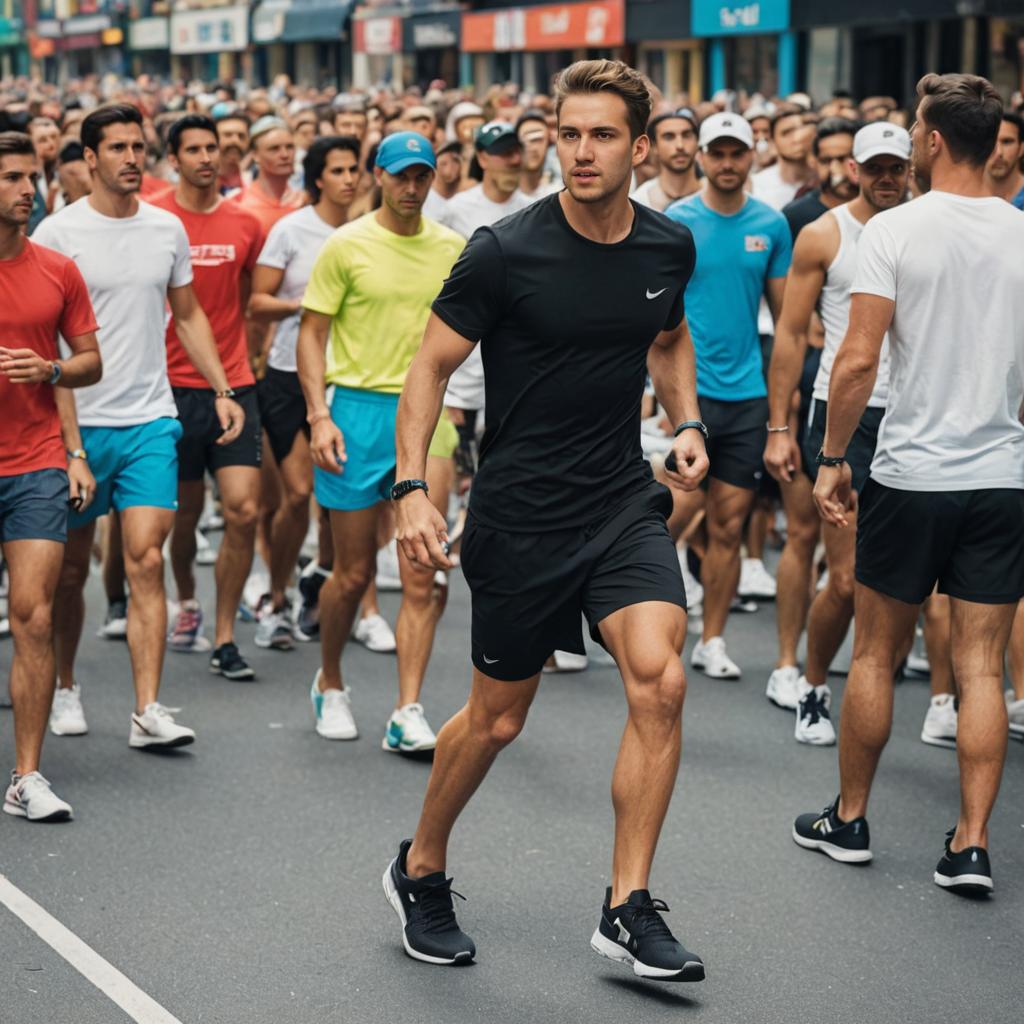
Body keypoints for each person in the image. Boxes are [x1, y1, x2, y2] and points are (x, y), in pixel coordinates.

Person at [383, 59, 708, 981]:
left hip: (618, 499)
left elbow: (669, 334)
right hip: (520, 514)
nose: (581, 151)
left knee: (662, 680)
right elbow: (428, 369)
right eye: (568, 133)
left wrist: (683, 420)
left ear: (641, 147)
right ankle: (421, 868)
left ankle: (626, 906)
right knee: (497, 720)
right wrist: (412, 487)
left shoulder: (666, 247)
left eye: (603, 135)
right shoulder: (502, 249)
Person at [793, 74, 1024, 896]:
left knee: (878, 655)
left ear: (929, 140)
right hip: (1003, 475)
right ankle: (970, 845)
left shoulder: (894, 230)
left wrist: (831, 455)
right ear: (993, 140)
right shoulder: (1022, 232)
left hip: (912, 473)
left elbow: (855, 359)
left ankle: (849, 820)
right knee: (982, 668)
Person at [34, 103, 244, 748]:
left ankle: (147, 709)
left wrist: (221, 387)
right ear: (89, 158)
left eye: (138, 146)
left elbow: (188, 315)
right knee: (69, 572)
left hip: (151, 418)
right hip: (77, 425)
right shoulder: (57, 234)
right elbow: (46, 345)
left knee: (145, 557)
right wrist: (67, 438)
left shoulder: (165, 229)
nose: (131, 157)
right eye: (117, 147)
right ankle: (66, 685)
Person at [296, 131, 464, 746]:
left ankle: (407, 709)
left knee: (424, 572)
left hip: (429, 416)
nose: (412, 187)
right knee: (352, 572)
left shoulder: (454, 247)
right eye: (400, 176)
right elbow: (311, 334)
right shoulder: (346, 245)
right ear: (378, 177)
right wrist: (319, 414)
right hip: (358, 413)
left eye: (422, 175)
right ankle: (331, 681)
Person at [765, 122, 911, 739]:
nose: (884, 178)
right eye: (872, 167)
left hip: (911, 414)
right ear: (851, 169)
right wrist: (779, 426)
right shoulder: (824, 234)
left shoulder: (923, 228)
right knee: (847, 578)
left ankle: (879, 686)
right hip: (842, 412)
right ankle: (814, 684)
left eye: (894, 167)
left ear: (911, 168)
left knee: (902, 583)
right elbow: (791, 334)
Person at [665, 113, 791, 679]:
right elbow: (651, 311)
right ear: (701, 156)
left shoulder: (772, 224)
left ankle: (711, 639)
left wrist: (779, 412)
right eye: (716, 151)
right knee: (662, 517)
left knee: (728, 526)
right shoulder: (677, 220)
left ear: (750, 156)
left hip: (746, 397)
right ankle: (597, 610)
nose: (726, 162)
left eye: (736, 152)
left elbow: (788, 322)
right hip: (683, 396)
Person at [0, 130, 101, 821]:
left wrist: (53, 370)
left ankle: (27, 775)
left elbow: (90, 360)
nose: (25, 189)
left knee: (34, 614)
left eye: (29, 177)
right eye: (11, 178)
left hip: (35, 459)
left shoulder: (58, 269)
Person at [150, 115, 265, 679]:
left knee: (244, 509)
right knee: (184, 516)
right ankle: (189, 602)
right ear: (172, 158)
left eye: (211, 148)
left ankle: (224, 636)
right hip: (169, 387)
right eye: (192, 149)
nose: (204, 157)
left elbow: (243, 298)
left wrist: (249, 359)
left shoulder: (244, 224)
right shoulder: (154, 220)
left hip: (235, 383)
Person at [249, 136, 361, 648]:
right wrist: (308, 304)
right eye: (338, 170)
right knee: (296, 494)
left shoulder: (367, 233)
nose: (349, 179)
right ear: (318, 178)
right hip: (287, 375)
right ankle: (276, 595)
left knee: (336, 503)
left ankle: (316, 579)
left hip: (346, 374)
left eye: (354, 169)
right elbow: (258, 302)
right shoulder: (291, 230)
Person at [437, 123, 532, 474]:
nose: (513, 160)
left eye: (516, 151)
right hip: (463, 376)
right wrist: (450, 392)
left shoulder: (537, 209)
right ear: (481, 158)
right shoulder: (455, 211)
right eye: (502, 153)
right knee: (460, 484)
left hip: (515, 377)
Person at [782, 117, 860, 238]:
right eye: (826, 161)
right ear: (815, 163)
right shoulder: (794, 216)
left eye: (844, 158)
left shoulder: (879, 208)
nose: (836, 169)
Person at [230, 116, 303, 234]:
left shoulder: (305, 201)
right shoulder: (237, 203)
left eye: (289, 147)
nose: (285, 155)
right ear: (255, 155)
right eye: (274, 149)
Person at [631, 108, 700, 212]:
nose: (680, 145)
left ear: (697, 142)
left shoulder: (717, 195)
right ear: (654, 147)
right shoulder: (639, 201)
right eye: (669, 137)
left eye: (686, 135)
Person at [751, 105, 813, 210]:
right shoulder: (756, 187)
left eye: (801, 130)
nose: (797, 138)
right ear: (773, 141)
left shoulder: (823, 180)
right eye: (786, 133)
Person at [516, 108, 559, 201]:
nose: (533, 148)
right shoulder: (501, 198)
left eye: (538, 139)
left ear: (548, 143)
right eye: (526, 138)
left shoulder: (558, 197)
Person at [984, 111, 1024, 208]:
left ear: (1022, 148)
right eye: (991, 142)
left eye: (1007, 142)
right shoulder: (963, 195)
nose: (998, 153)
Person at [422, 140, 462, 219]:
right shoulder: (424, 198)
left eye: (455, 160)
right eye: (444, 163)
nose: (451, 167)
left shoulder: (466, 199)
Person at [214, 111, 251, 195]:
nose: (235, 141)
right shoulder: (198, 182)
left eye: (241, 136)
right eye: (228, 135)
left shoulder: (254, 179)